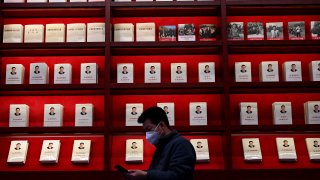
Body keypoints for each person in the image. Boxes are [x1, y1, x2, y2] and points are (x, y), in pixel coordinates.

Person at [125, 106, 196, 180]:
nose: (147, 134)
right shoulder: (161, 147)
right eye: (145, 131)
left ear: (162, 125)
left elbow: (178, 176)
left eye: (149, 129)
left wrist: (146, 175)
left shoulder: (181, 145)